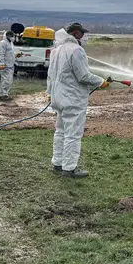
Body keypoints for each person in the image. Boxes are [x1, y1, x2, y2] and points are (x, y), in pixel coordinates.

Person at [46, 22, 109, 178]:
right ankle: (70, 168)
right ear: (75, 34)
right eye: (82, 33)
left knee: (60, 131)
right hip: (72, 99)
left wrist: (49, 93)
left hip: (58, 98)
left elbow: (50, 75)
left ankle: (58, 163)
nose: (84, 37)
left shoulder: (56, 50)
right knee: (73, 134)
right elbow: (84, 76)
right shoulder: (76, 50)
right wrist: (101, 82)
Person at [0, 30, 21, 100]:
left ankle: (5, 94)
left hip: (10, 65)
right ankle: (2, 95)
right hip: (5, 66)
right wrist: (1, 63)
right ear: (8, 36)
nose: (13, 38)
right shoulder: (3, 43)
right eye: (12, 37)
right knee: (6, 81)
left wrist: (17, 55)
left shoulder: (10, 43)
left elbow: (11, 54)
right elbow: (1, 54)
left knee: (9, 81)